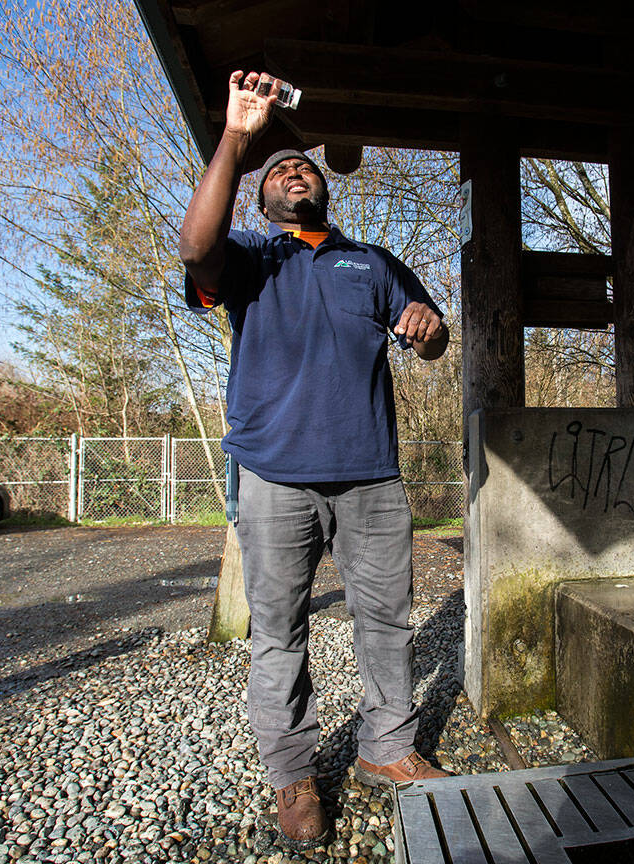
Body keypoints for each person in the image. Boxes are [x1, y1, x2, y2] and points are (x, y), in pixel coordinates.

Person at [178, 69, 452, 851]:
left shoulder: (371, 260)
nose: (294, 170)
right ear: (262, 201)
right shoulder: (249, 262)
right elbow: (194, 246)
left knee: (386, 623)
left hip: (370, 473)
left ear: (325, 192)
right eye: (278, 171)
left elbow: (428, 334)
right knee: (278, 630)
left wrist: (431, 333)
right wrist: (239, 137)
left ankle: (388, 749)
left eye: (303, 167)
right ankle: (292, 772)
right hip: (272, 474)